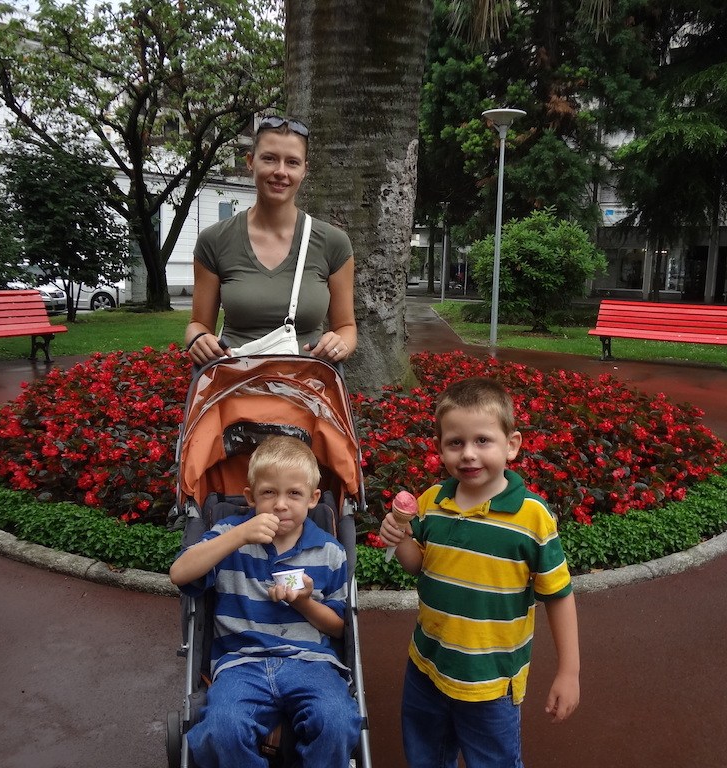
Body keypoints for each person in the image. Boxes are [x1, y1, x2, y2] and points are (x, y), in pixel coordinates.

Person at [379, 377, 580, 768]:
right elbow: (416, 565)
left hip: (490, 681)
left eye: (482, 441)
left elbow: (558, 594)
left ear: (513, 445)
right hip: (427, 664)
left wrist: (569, 671)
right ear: (440, 448)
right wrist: (399, 536)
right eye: (455, 443)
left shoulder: (531, 517)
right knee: (425, 756)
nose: (468, 454)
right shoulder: (432, 502)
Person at [169, 435, 361, 768]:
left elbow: (341, 628)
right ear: (251, 496)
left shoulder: (330, 552)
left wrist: (304, 602)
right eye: (269, 492)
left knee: (337, 720)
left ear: (313, 499)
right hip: (241, 664)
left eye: (294, 494)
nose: (281, 504)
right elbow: (180, 573)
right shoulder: (230, 535)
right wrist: (238, 535)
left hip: (311, 663)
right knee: (221, 729)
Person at [185, 115, 357, 366]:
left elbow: (346, 327)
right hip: (235, 385)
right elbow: (198, 324)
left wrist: (339, 343)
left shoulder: (333, 243)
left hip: (307, 389)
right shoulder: (215, 240)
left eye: (292, 162)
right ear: (250, 162)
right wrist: (199, 340)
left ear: (304, 170)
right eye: (269, 158)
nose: (280, 172)